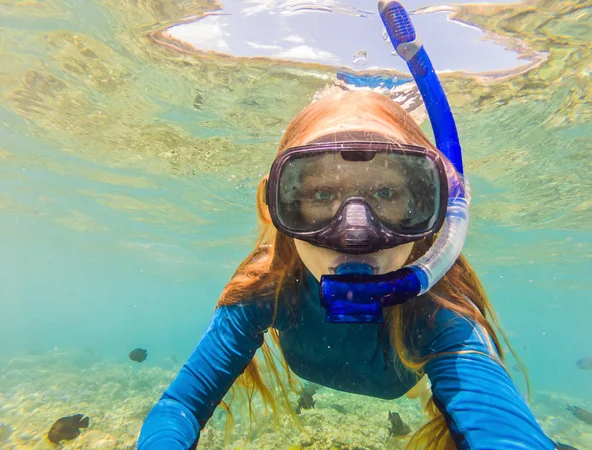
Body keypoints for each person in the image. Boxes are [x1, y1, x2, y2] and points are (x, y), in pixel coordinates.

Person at [138, 2, 563, 449]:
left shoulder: (438, 315)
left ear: (432, 208)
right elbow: (181, 406)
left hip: (411, 376)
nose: (356, 235)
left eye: (386, 195)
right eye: (321, 195)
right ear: (273, 206)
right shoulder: (269, 287)